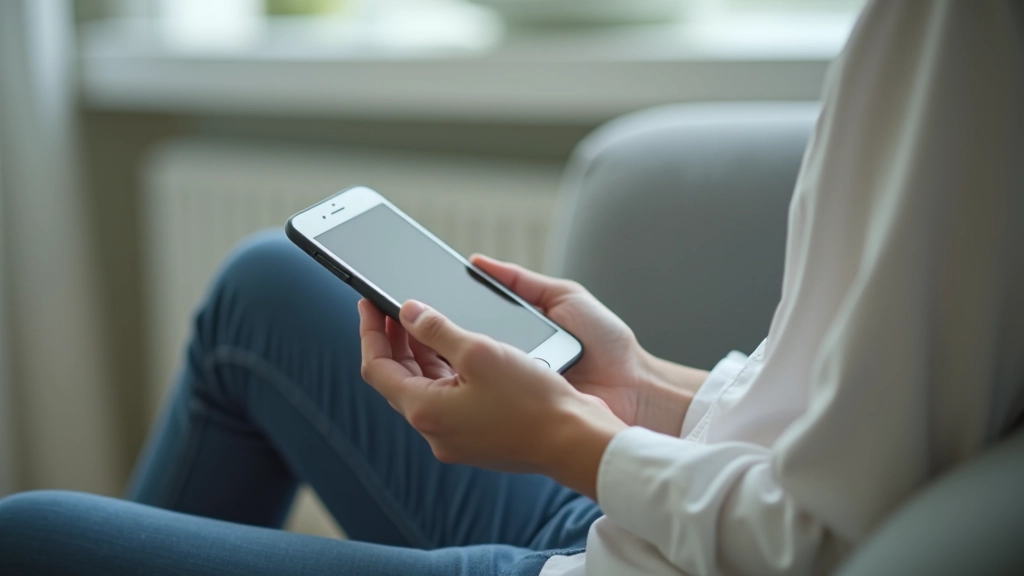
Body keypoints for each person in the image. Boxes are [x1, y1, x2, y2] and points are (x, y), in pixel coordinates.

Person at [1, 1, 1021, 574]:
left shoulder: (965, 39)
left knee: (29, 537)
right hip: (668, 526)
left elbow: (827, 541)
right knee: (263, 286)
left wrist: (567, 440)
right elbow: (850, 428)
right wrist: (644, 386)